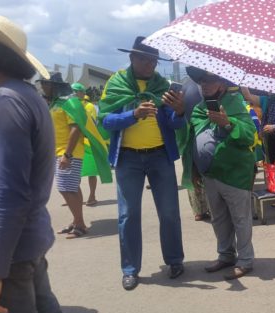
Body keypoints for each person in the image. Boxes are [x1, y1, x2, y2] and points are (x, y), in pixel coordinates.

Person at [0, 15, 88, 313]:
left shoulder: (5, 101)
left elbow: (7, 193)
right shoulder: (25, 95)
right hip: (27, 240)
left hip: (12, 249)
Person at [99, 36, 186, 290]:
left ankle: (175, 260)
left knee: (170, 213)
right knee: (128, 215)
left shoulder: (164, 86)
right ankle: (130, 269)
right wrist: (132, 115)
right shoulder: (116, 84)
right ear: (131, 58)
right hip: (128, 158)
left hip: (160, 155)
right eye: (144, 59)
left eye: (153, 60)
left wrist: (179, 111)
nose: (150, 64)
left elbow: (175, 124)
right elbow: (105, 121)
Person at [183, 67, 257, 280]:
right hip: (210, 174)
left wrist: (227, 123)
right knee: (219, 219)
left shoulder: (235, 104)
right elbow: (193, 139)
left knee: (240, 219)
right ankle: (225, 255)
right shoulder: (199, 108)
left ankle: (245, 260)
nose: (205, 85)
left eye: (210, 80)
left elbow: (249, 136)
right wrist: (194, 170)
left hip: (234, 173)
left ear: (222, 84)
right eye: (202, 81)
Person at [40, 72, 90, 239]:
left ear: (54, 85)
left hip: (70, 152)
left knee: (65, 187)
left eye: (45, 84)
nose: (42, 87)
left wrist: (67, 154)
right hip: (58, 151)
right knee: (71, 187)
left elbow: (76, 128)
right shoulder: (55, 103)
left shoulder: (69, 102)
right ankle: (77, 221)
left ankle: (80, 224)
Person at [177, 77, 211, 221]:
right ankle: (207, 208)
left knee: (193, 169)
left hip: (190, 131)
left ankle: (199, 210)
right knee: (202, 171)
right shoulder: (209, 83)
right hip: (200, 131)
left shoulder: (183, 85)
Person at [72, 82, 108, 206]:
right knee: (74, 172)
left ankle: (92, 195)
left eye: (76, 91)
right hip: (74, 143)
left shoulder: (89, 107)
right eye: (72, 91)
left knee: (91, 171)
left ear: (82, 93)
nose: (74, 94)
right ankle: (73, 196)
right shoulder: (70, 105)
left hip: (88, 142)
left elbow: (91, 124)